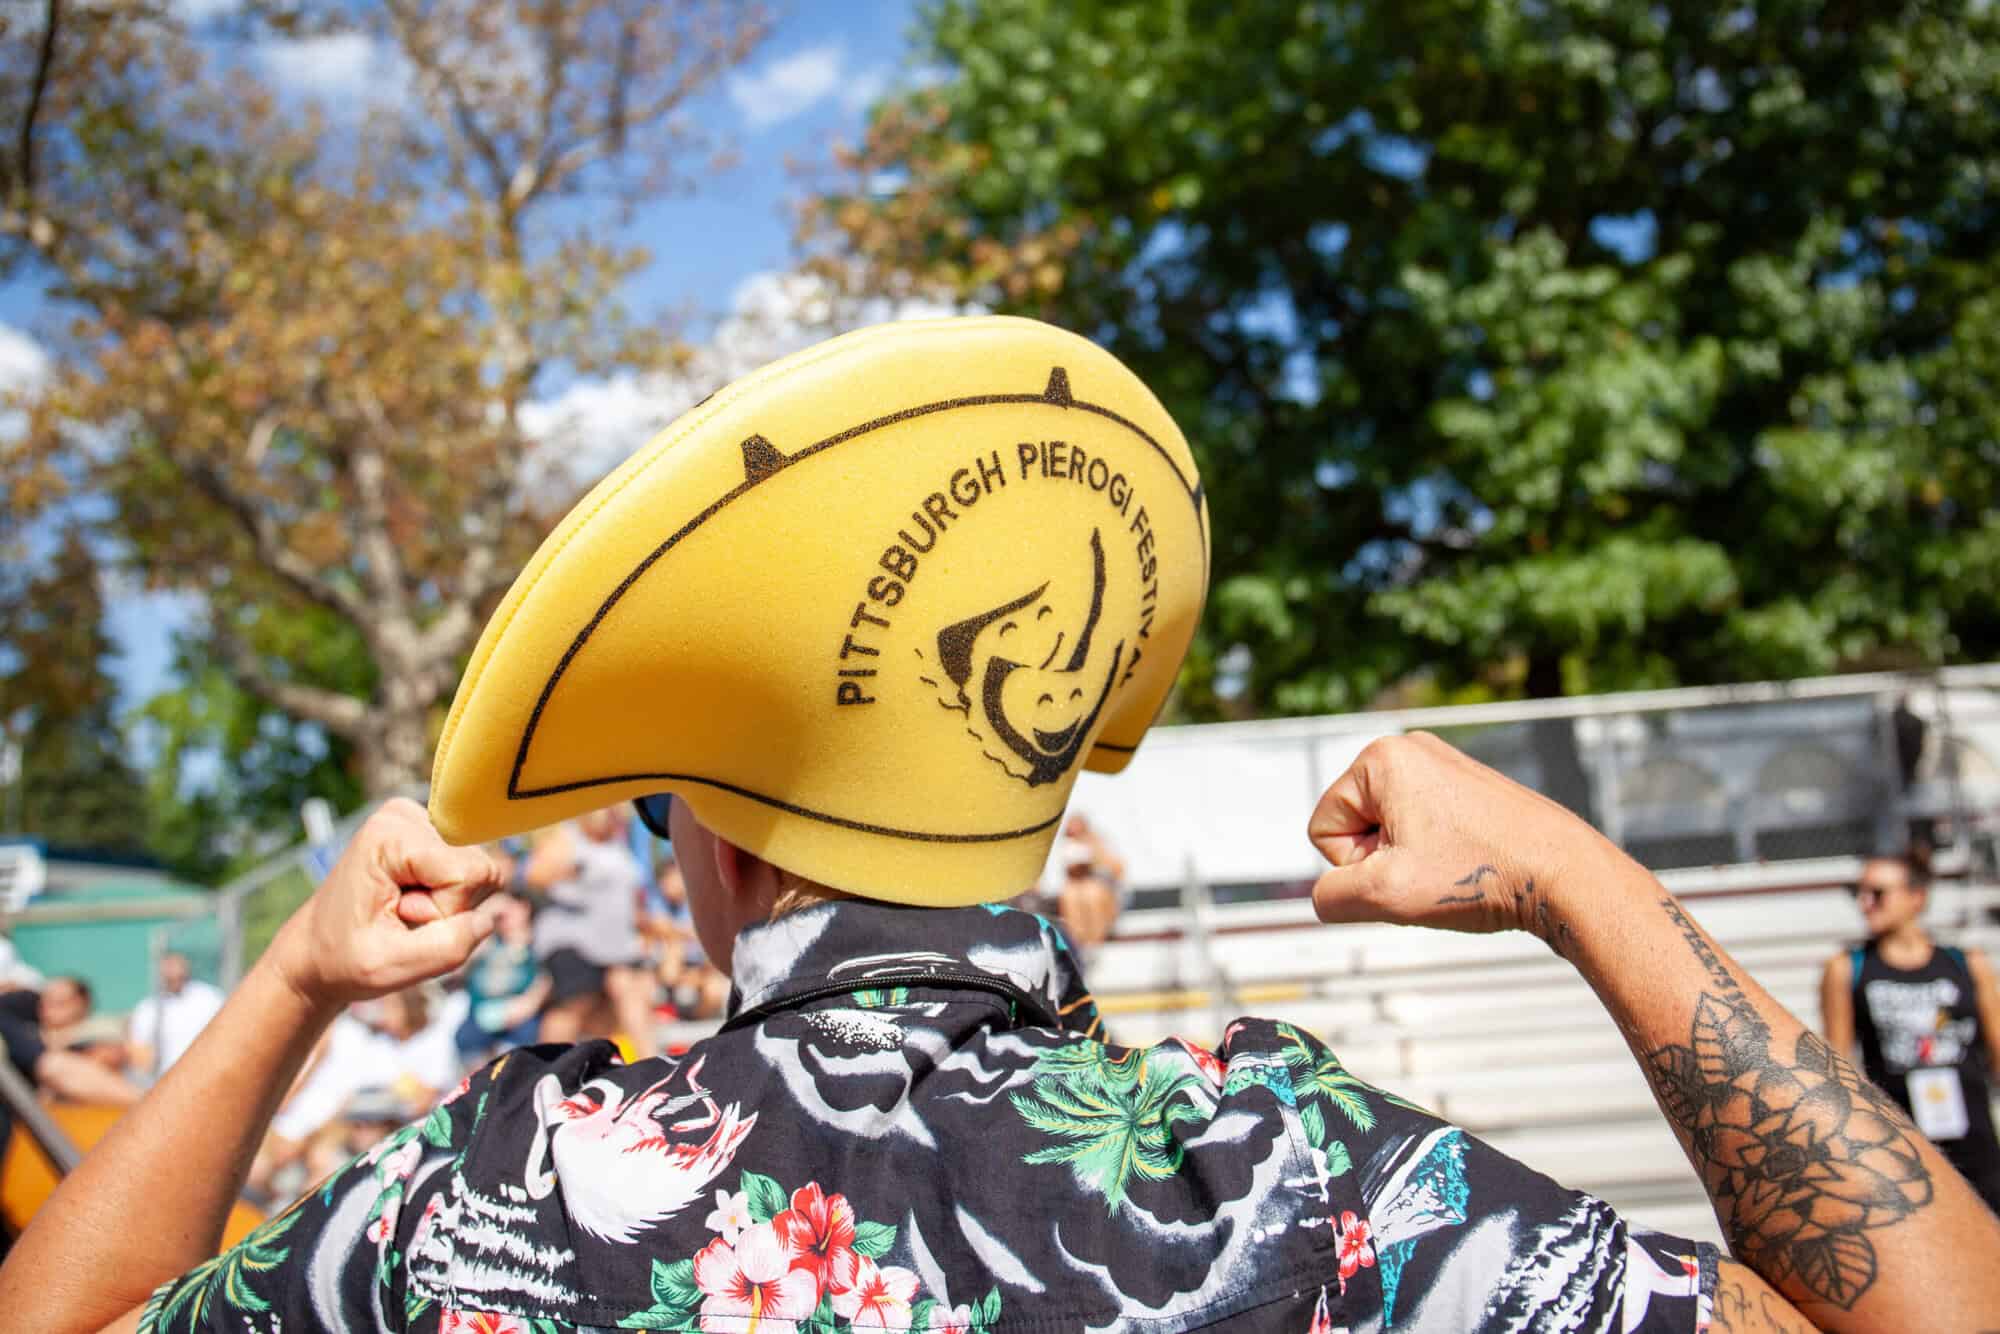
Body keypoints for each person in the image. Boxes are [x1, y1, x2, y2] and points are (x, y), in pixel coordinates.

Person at [5, 317, 1998, 1333]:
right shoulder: (1282, 1170)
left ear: (713, 845)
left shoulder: (513, 1183)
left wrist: (295, 977)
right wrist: (1573, 871)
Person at [1820, 847, 2000, 1212]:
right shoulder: (1848, 968)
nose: (1866, 903)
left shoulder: (1965, 963)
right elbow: (1839, 1070)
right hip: (1900, 1153)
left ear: (1917, 897)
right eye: (1859, 893)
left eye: (1878, 893)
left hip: (1976, 1146)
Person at [523, 807, 659, 1059]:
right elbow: (534, 875)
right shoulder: (567, 838)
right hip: (572, 941)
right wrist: (572, 872)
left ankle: (652, 1065)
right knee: (575, 1003)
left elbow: (629, 899)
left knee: (632, 997)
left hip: (616, 944)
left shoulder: (620, 843)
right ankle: (550, 1067)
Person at [451, 892, 551, 1062]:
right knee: (466, 1040)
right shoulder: (488, 942)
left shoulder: (539, 941)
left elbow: (546, 979)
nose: (504, 917)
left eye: (510, 910)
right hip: (480, 1014)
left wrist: (529, 1004)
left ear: (525, 908)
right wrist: (485, 915)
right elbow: (458, 967)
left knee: (526, 1044)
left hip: (521, 1015)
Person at [127, 951, 226, 1078]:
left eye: (177, 968)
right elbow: (140, 1052)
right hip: (167, 1078)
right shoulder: (148, 1009)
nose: (173, 974)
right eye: (169, 968)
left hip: (207, 1075)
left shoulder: (210, 998)